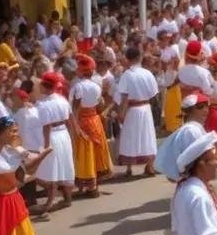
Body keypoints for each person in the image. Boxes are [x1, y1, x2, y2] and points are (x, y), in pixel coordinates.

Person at [34, 72, 76, 214]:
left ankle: (49, 202)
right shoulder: (62, 99)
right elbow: (70, 118)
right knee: (64, 164)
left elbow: (46, 126)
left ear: (45, 87)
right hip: (64, 134)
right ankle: (67, 197)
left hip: (52, 136)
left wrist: (46, 146)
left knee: (51, 168)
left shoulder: (43, 104)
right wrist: (72, 136)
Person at [70, 54, 111, 197]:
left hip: (83, 121)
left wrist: (74, 127)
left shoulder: (78, 87)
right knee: (96, 150)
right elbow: (100, 104)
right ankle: (95, 185)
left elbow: (75, 109)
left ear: (81, 71)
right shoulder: (96, 86)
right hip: (95, 120)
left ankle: (89, 185)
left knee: (85, 152)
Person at [115, 47, 159, 177]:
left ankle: (129, 167)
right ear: (139, 58)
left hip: (132, 109)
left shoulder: (127, 75)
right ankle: (149, 165)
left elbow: (124, 96)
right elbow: (154, 94)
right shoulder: (147, 73)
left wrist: (121, 113)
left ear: (128, 59)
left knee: (130, 136)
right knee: (147, 135)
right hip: (145, 108)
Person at [153, 94, 212, 182]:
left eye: (207, 106)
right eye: (200, 106)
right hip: (193, 181)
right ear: (189, 110)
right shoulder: (191, 131)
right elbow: (197, 159)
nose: (205, 110)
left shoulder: (194, 128)